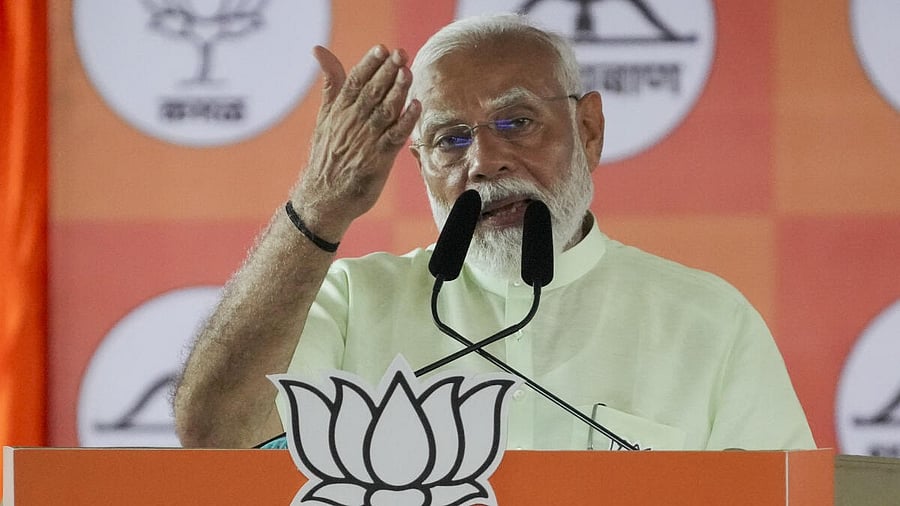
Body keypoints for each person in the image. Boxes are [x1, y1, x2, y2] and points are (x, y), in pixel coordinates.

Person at [173, 14, 815, 451]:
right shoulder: (350, 303)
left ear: (589, 131)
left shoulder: (709, 322)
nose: (483, 162)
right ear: (420, 166)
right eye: (450, 139)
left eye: (516, 123)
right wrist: (318, 206)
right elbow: (217, 435)